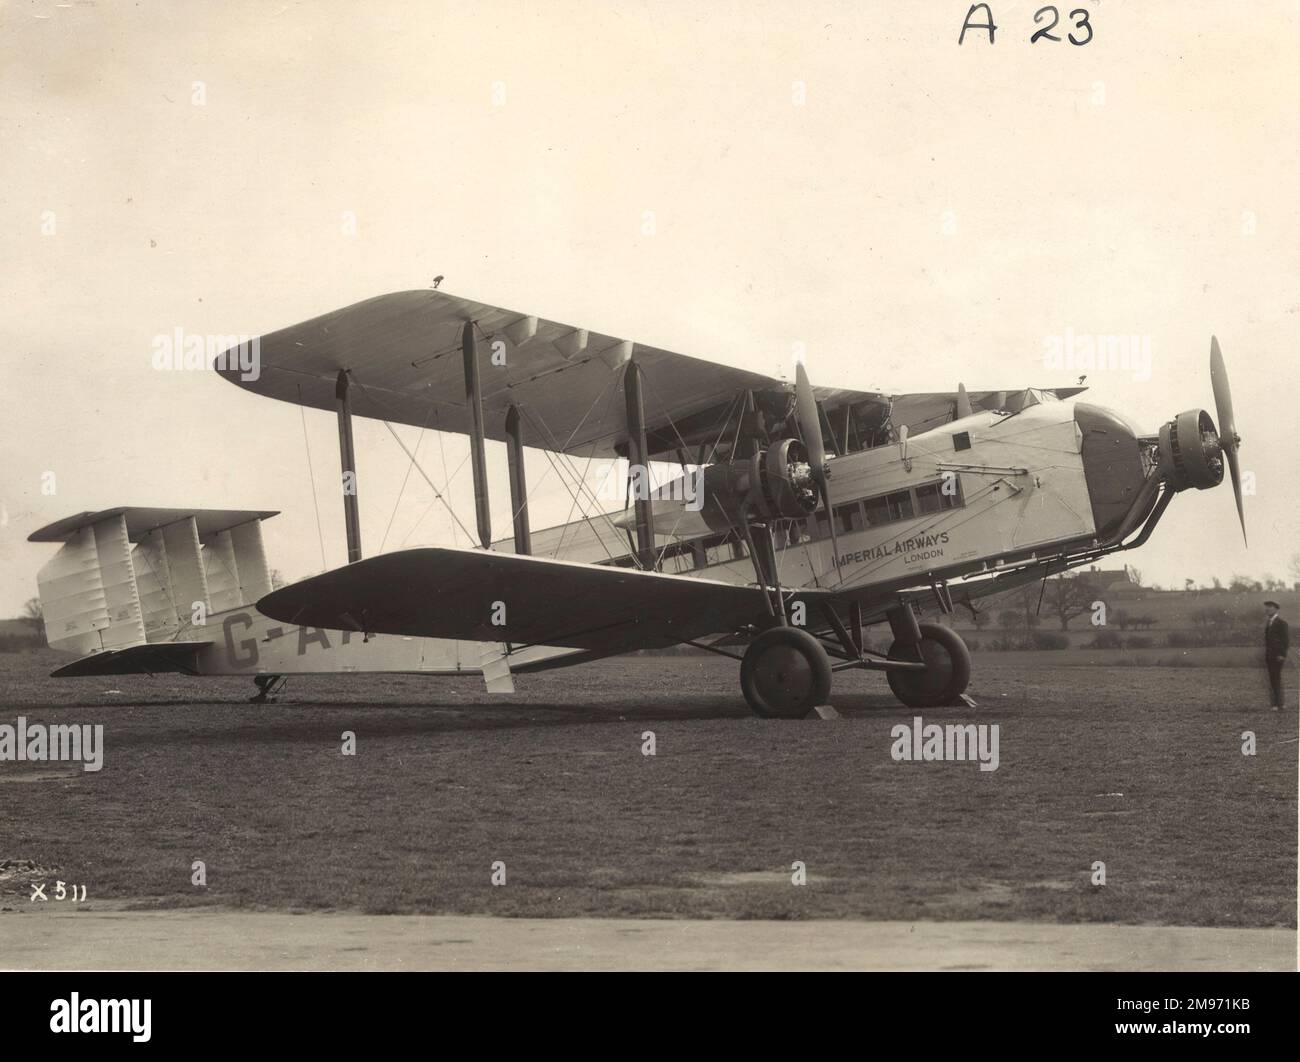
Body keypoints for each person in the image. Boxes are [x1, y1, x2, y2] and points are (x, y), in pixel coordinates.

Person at [1263, 601, 1289, 710]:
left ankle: (1280, 704)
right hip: (1270, 656)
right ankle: (1275, 704)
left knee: (1276, 678)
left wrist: (1282, 654)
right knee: (1273, 678)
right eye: (1267, 607)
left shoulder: (1281, 623)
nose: (1267, 609)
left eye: (1270, 607)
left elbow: (1285, 641)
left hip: (1278, 656)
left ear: (1276, 609)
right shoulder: (1269, 623)